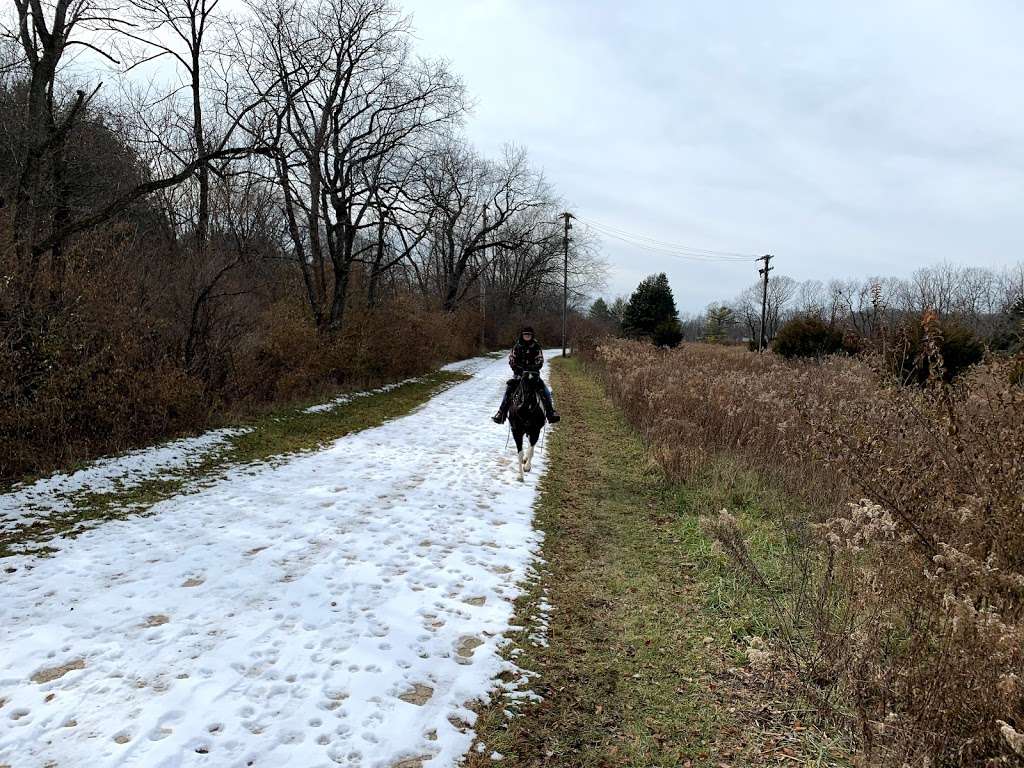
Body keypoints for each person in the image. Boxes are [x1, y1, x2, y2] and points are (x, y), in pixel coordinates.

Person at [492, 326, 560, 424]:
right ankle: (501, 413)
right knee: (509, 390)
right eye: (525, 334)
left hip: (533, 375)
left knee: (545, 391)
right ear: (522, 335)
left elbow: (540, 360)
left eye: (529, 335)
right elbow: (512, 359)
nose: (527, 336)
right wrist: (517, 368)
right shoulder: (517, 346)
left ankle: (550, 413)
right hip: (519, 375)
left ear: (532, 335)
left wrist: (533, 368)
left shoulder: (536, 346)